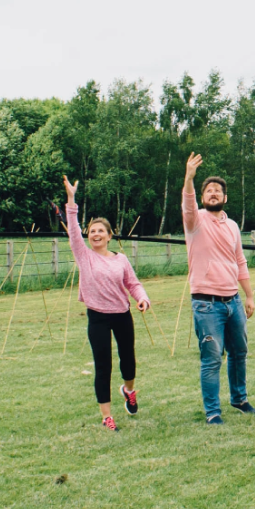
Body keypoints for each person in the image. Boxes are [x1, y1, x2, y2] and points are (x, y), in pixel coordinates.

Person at [62, 176, 151, 431]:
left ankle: (129, 390)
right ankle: (106, 416)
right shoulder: (83, 255)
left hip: (122, 315)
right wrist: (71, 199)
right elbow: (72, 227)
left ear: (110, 236)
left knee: (128, 361)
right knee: (103, 365)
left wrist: (142, 298)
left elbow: (133, 284)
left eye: (101, 231)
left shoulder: (120, 259)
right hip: (98, 317)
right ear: (87, 237)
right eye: (92, 231)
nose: (96, 234)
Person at [183, 153, 255, 425]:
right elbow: (188, 206)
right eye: (208, 190)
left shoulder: (233, 226)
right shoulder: (195, 222)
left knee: (239, 353)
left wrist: (248, 295)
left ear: (225, 198)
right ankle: (213, 412)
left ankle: (239, 399)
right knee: (212, 359)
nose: (213, 193)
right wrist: (189, 178)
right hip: (206, 304)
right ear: (202, 197)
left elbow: (239, 261)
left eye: (218, 191)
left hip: (233, 302)